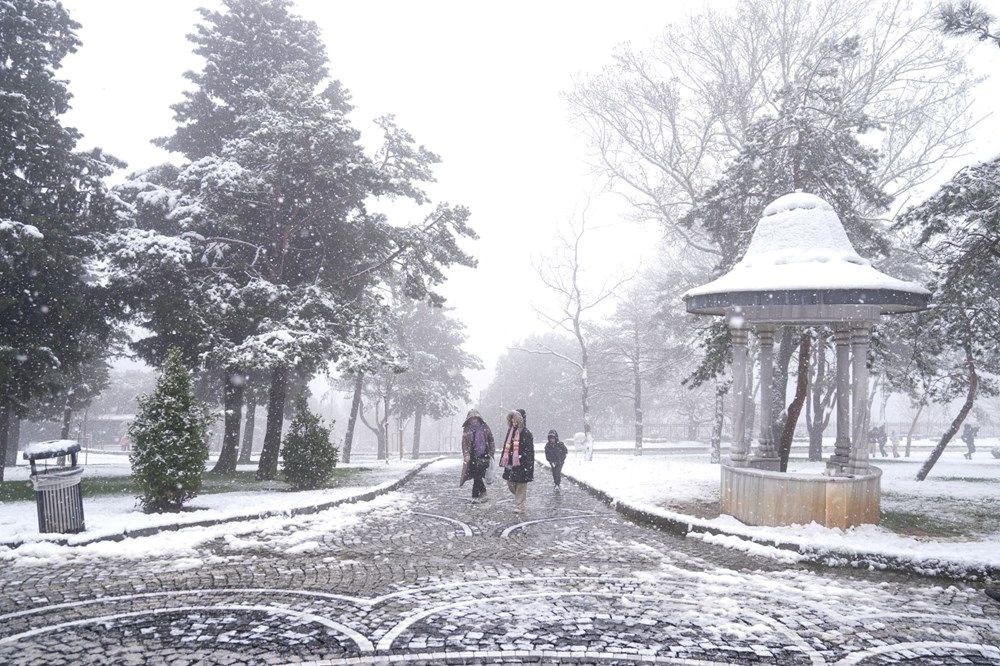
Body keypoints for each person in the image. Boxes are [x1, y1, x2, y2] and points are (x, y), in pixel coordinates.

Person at [499, 408, 534, 514]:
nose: (514, 421)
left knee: (521, 485)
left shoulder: (526, 433)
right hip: (510, 463)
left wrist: (527, 463)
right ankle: (520, 499)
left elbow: (530, 451)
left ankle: (520, 506)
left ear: (521, 419)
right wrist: (503, 459)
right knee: (510, 484)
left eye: (516, 418)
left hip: (522, 463)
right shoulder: (510, 431)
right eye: (512, 418)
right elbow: (506, 446)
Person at [459, 409, 494, 502]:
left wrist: (491, 453)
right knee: (476, 476)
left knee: (478, 476)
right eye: (472, 419)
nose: (474, 420)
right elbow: (465, 444)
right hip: (473, 456)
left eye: (476, 418)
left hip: (484, 455)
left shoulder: (485, 427)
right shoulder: (467, 429)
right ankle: (481, 493)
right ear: (469, 420)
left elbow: (491, 440)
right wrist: (466, 454)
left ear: (479, 418)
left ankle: (476, 495)